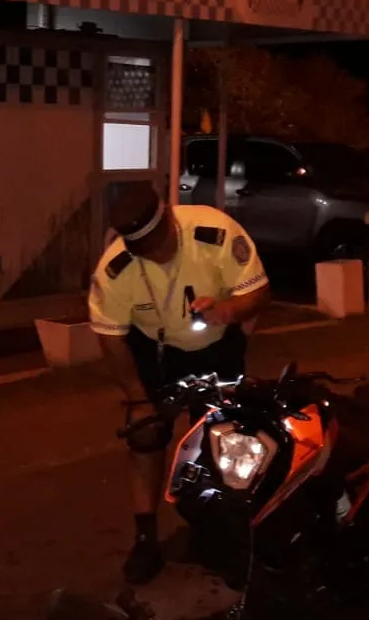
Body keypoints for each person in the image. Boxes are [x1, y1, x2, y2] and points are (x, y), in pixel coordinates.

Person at [88, 181, 271, 583]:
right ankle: (145, 539)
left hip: (216, 345)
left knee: (224, 438)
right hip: (154, 350)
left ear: (171, 216)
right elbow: (110, 338)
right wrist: (137, 397)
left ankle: (222, 532)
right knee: (145, 436)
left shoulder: (215, 232)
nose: (157, 256)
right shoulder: (115, 269)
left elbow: (258, 292)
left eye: (161, 244)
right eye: (146, 251)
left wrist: (229, 309)